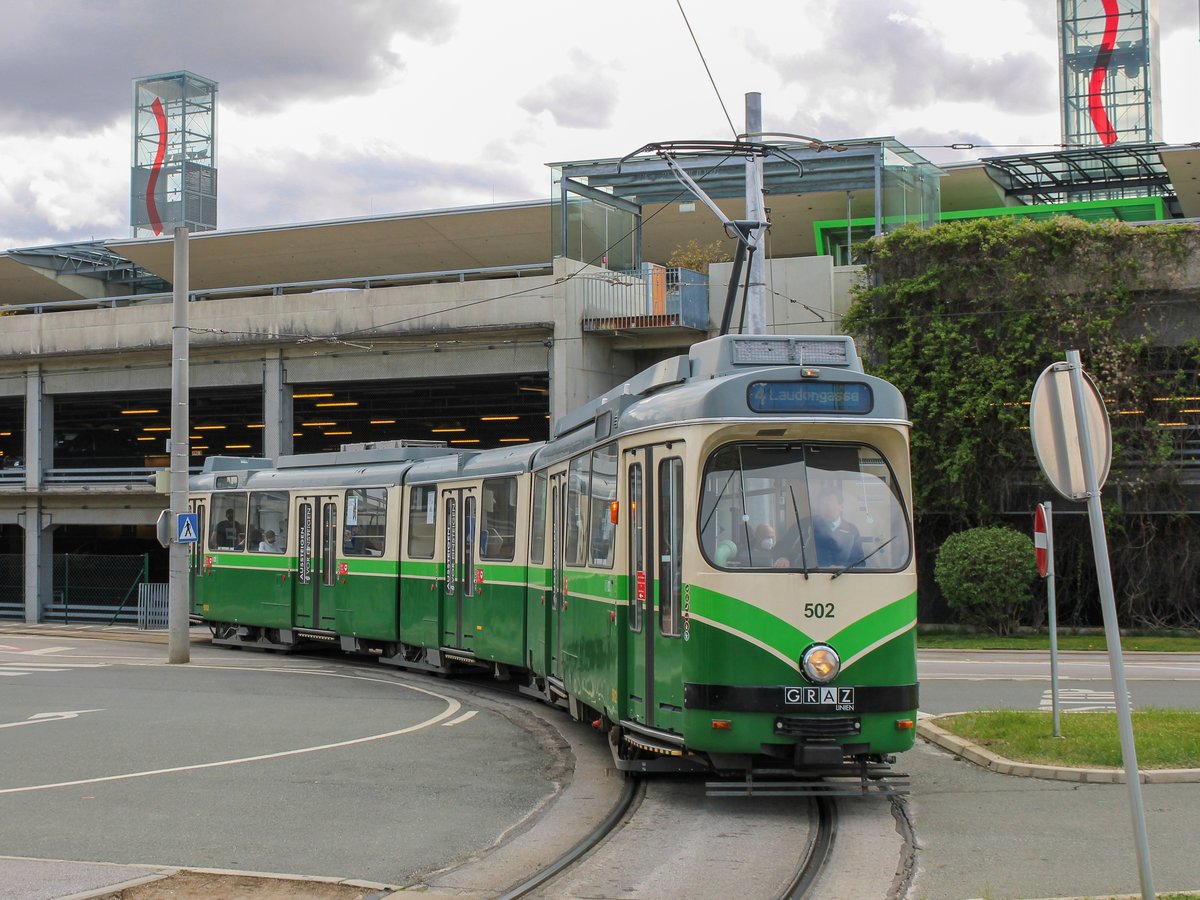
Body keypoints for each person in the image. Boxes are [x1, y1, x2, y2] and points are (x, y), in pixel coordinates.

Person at [811, 488, 863, 568]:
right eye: (823, 504)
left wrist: (845, 568)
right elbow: (791, 551)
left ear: (841, 507)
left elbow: (860, 562)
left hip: (843, 577)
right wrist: (785, 558)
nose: (826, 508)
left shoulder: (852, 530)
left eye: (830, 504)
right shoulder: (808, 526)